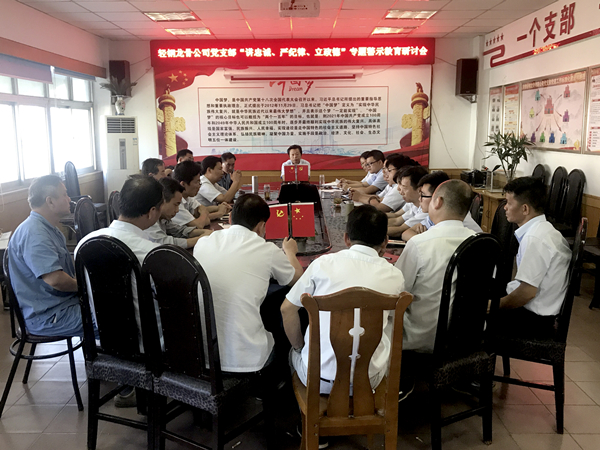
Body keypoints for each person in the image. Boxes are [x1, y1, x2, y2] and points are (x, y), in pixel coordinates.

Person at [281, 205, 405, 396]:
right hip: (369, 379)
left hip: (318, 379)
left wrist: (299, 348)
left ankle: (304, 408)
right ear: (385, 242)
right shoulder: (395, 276)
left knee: (294, 353)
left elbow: (287, 309)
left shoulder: (323, 264)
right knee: (386, 324)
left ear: (346, 238)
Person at [193, 194, 303, 373]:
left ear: (230, 218)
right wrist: (290, 252)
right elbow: (297, 279)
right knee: (282, 306)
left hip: (201, 355)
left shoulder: (203, 242)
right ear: (261, 226)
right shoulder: (267, 249)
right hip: (247, 359)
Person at [396, 179, 477, 354]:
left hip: (422, 338)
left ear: (437, 201)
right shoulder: (481, 242)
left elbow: (397, 291)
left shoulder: (420, 243)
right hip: (469, 338)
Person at [7, 175, 83, 337]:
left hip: (62, 304)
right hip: (47, 315)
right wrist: (86, 287)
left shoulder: (49, 229)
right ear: (50, 201)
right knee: (112, 319)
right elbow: (55, 280)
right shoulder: (35, 233)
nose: (69, 199)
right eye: (64, 194)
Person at [497, 176, 571, 333]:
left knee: (471, 313)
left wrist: (495, 305)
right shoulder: (544, 229)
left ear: (525, 209)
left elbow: (526, 293)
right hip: (536, 312)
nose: (505, 208)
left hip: (535, 320)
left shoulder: (535, 238)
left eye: (509, 203)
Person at [146, 177, 211, 249]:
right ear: (163, 201)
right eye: (176, 205)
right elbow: (165, 243)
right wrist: (200, 239)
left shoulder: (163, 217)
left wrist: (205, 232)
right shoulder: (149, 219)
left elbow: (180, 231)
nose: (177, 210)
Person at [171, 161, 229, 228]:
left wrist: (219, 208)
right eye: (196, 182)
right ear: (183, 184)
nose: (199, 186)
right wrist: (219, 213)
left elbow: (201, 210)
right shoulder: (175, 203)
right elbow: (199, 225)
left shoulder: (188, 197)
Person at [387, 165, 428, 237]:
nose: (398, 189)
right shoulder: (414, 204)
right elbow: (396, 220)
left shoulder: (426, 210)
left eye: (404, 187)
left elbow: (400, 230)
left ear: (419, 189)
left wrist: (370, 230)